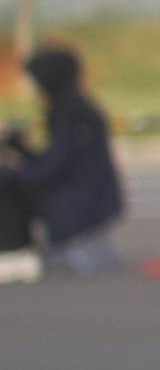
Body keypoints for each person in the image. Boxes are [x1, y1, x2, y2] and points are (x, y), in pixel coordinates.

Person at [1, 43, 126, 277]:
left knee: (5, 184)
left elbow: (52, 168)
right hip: (90, 195)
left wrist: (11, 172)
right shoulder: (74, 107)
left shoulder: (69, 113)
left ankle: (15, 254)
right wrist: (19, 147)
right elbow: (57, 161)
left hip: (81, 202)